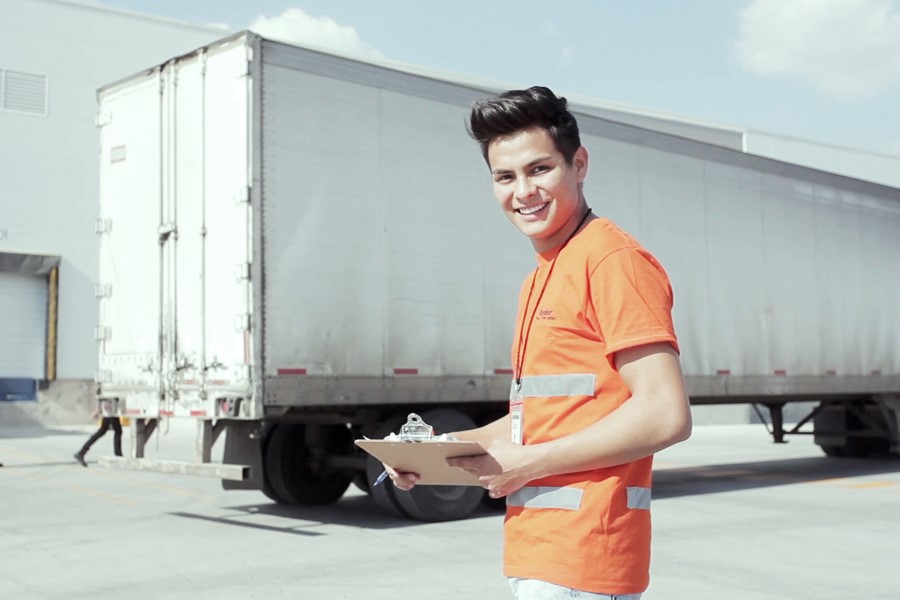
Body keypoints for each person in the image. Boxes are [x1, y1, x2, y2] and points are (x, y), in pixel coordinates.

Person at [387, 86, 693, 599]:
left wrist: (528, 463)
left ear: (579, 164)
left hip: (585, 558)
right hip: (541, 552)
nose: (523, 191)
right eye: (505, 177)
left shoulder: (611, 260)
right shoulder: (544, 275)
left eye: (539, 169)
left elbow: (666, 413)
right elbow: (543, 416)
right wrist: (437, 454)